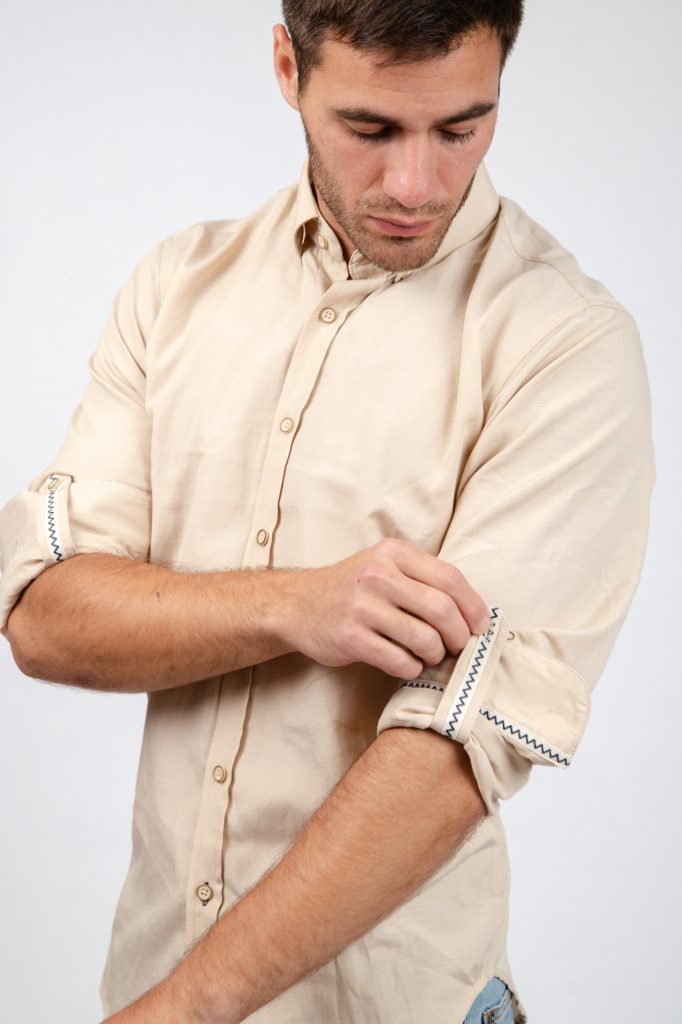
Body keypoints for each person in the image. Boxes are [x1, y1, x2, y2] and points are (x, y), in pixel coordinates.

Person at [0, 1, 655, 1022]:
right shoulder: (177, 288)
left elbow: (454, 752)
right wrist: (292, 604)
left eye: (462, 127)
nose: (416, 183)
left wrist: (182, 1011)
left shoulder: (565, 346)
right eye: (369, 127)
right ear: (286, 66)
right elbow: (45, 617)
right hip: (146, 978)